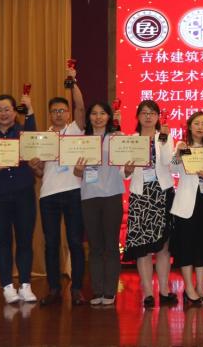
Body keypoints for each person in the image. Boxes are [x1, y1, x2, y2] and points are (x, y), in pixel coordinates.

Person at [0, 92, 39, 304]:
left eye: (7, 109)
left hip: (23, 193)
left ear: (14, 112)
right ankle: (7, 287)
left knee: (24, 240)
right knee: (2, 241)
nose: (3, 113)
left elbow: (34, 142)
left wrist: (30, 111)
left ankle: (25, 285)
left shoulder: (22, 132)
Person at [29, 70, 87, 306]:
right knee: (51, 243)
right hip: (49, 195)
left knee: (75, 242)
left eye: (62, 110)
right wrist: (35, 167)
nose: (59, 114)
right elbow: (41, 172)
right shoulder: (43, 137)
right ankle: (54, 289)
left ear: (68, 113)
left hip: (73, 191)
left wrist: (73, 82)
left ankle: (77, 289)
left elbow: (81, 106)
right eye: (54, 111)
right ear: (50, 114)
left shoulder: (74, 129)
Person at [122, 100, 178, 308]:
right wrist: (127, 170)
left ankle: (164, 290)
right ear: (138, 116)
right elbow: (123, 172)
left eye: (152, 113)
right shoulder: (131, 140)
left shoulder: (165, 137)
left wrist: (163, 139)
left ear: (158, 117)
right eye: (144, 113)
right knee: (142, 246)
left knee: (164, 246)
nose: (148, 116)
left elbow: (167, 162)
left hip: (162, 193)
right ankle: (147, 293)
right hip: (140, 195)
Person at [76, 101, 125, 306]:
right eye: (94, 113)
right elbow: (76, 172)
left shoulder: (118, 137)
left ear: (109, 116)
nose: (98, 117)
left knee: (111, 245)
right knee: (95, 246)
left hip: (112, 194)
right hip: (89, 196)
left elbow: (125, 168)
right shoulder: (82, 139)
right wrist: (78, 169)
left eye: (102, 113)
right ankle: (97, 290)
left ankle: (110, 291)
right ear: (89, 117)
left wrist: (129, 169)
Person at [170, 111, 203, 306]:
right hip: (186, 202)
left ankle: (200, 287)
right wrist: (178, 154)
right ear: (189, 126)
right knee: (186, 246)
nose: (200, 127)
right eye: (197, 123)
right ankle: (189, 289)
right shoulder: (182, 146)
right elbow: (173, 168)